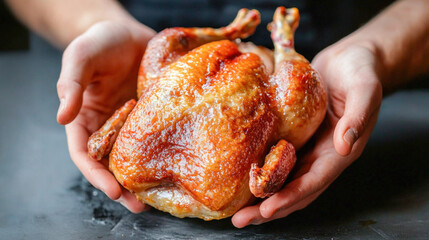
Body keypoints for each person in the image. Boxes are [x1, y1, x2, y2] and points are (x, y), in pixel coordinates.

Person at [5, 0, 429, 228]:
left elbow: (278, 150)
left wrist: (377, 49)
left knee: (168, 52)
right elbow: (280, 150)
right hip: (217, 179)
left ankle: (281, 41)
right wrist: (88, 19)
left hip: (139, 160)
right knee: (295, 103)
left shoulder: (150, 96)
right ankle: (284, 40)